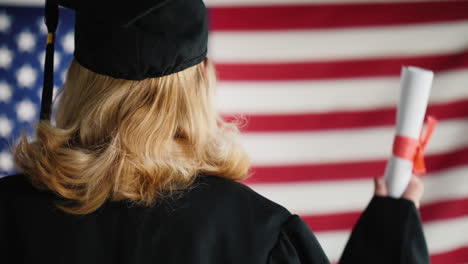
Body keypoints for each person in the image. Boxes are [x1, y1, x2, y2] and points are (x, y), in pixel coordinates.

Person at [0, 0, 429, 263]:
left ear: (79, 81)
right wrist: (391, 235)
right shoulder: (259, 235)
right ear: (202, 81)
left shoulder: (9, 219)